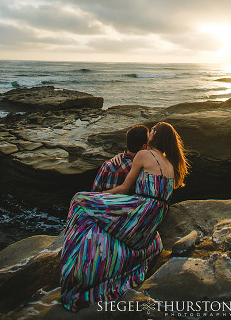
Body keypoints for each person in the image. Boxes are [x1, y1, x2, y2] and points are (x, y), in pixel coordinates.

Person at [60, 122, 189, 311]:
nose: (149, 134)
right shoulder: (170, 163)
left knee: (79, 200)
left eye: (152, 131)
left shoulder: (144, 154)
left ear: (156, 136)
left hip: (139, 210)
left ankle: (73, 264)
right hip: (152, 219)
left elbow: (125, 188)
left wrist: (99, 196)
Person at [91, 125, 148, 192]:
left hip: (104, 201)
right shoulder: (142, 169)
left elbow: (94, 192)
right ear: (144, 147)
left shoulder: (108, 165)